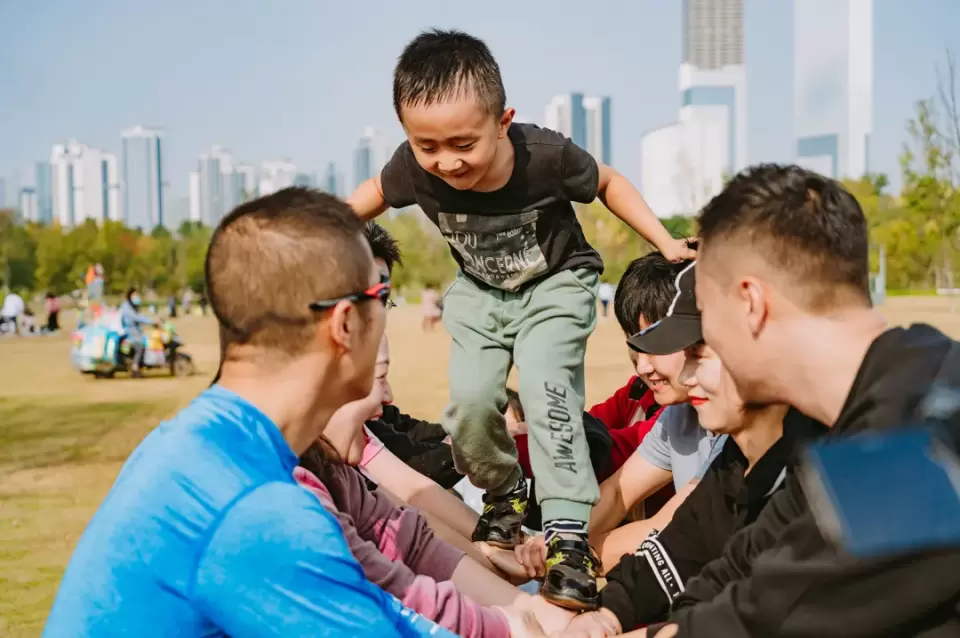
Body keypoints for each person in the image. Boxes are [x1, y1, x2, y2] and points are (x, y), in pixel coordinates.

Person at [348, 28, 695, 610]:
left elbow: (608, 182)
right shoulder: (414, 167)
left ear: (503, 120)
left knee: (543, 389)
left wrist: (664, 241)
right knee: (469, 401)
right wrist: (308, 232)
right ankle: (506, 496)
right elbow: (368, 196)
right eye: (427, 146)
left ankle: (567, 537)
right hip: (482, 292)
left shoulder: (545, 157)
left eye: (463, 143)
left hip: (557, 282)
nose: (446, 162)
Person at [43, 187, 473, 637]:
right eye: (380, 296)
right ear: (345, 323)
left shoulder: (202, 444)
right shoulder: (258, 505)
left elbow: (408, 549)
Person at [646, 164, 960, 637]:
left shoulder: (911, 448)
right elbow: (742, 568)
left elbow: (759, 619)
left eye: (706, 316)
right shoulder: (862, 408)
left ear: (751, 303)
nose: (701, 345)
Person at [562, 262, 827, 635]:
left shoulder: (824, 473)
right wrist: (605, 614)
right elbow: (681, 552)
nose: (687, 377)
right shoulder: (736, 464)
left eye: (698, 356)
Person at [296, 340, 575, 637]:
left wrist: (496, 551)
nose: (387, 396)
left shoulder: (337, 469)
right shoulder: (294, 496)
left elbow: (412, 531)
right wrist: (506, 623)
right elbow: (391, 586)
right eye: (377, 377)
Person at [516, 254, 723, 572]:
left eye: (658, 344)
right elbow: (616, 492)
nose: (642, 366)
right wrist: (562, 537)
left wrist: (567, 551)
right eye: (636, 346)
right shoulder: (675, 415)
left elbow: (672, 529)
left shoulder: (738, 427)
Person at [119, 287, 156, 377]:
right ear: (130, 295)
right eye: (134, 295)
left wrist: (151, 319)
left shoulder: (131, 306)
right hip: (129, 333)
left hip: (135, 332)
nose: (136, 297)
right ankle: (135, 368)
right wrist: (151, 321)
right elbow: (136, 317)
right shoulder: (126, 307)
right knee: (139, 347)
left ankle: (138, 366)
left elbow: (140, 315)